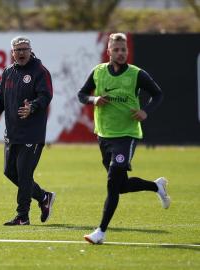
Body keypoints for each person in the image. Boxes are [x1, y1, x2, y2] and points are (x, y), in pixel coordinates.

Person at [78, 33, 171, 244]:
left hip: (127, 136)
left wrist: (146, 111)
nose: (121, 53)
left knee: (112, 183)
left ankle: (100, 231)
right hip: (104, 135)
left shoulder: (137, 74)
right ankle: (157, 187)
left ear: (127, 51)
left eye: (124, 49)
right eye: (116, 49)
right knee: (121, 186)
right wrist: (94, 99)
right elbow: (81, 94)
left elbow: (158, 94)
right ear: (109, 51)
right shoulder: (98, 72)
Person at [0, 36, 55, 226]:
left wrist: (33, 107)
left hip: (32, 133)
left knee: (24, 174)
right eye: (17, 50)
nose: (21, 53)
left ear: (30, 50)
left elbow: (45, 95)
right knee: (10, 172)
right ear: (12, 52)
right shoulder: (8, 73)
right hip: (12, 132)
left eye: (24, 49)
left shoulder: (40, 71)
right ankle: (44, 197)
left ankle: (22, 216)